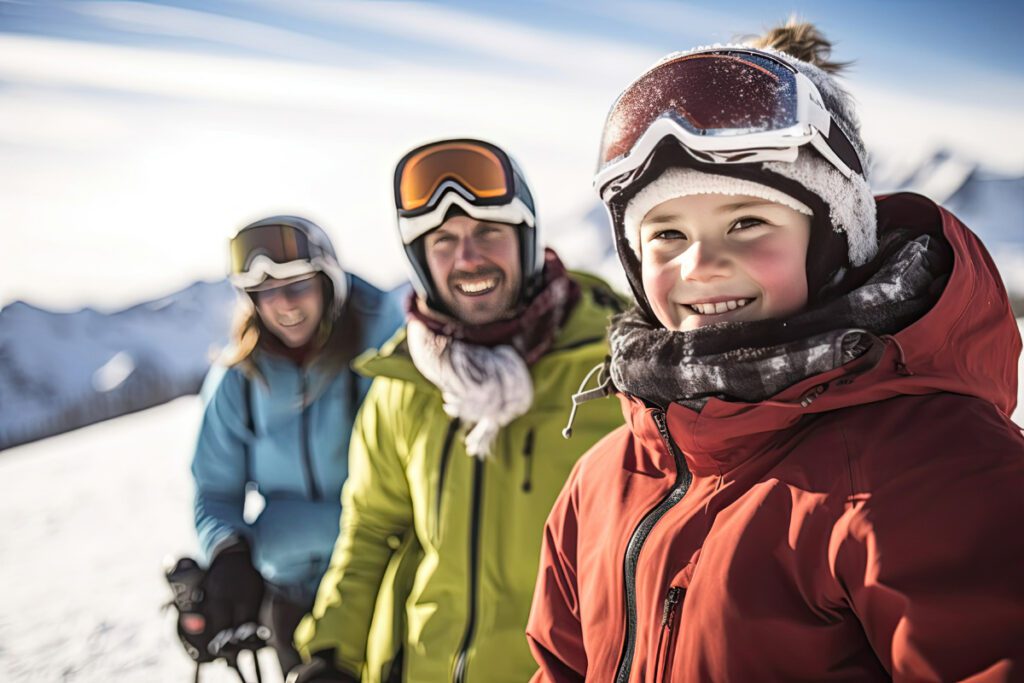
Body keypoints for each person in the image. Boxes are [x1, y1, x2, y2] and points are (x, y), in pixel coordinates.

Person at [527, 20, 1024, 682]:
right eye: (667, 233)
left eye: (746, 222)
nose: (701, 264)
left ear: (830, 239)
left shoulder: (936, 467)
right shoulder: (605, 477)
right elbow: (560, 665)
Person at [288, 139, 626, 683]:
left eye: (488, 232)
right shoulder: (405, 381)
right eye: (443, 241)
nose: (467, 258)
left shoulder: (613, 368)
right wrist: (332, 652)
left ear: (527, 238)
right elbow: (372, 528)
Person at [189, 215, 405, 674]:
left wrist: (280, 530)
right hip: (289, 600)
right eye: (265, 293)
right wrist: (228, 550)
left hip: (380, 588)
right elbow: (214, 489)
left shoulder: (380, 358)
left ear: (329, 285)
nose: (283, 305)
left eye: (298, 286)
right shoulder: (240, 380)